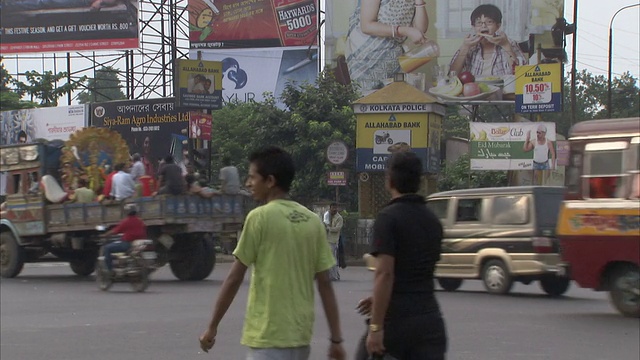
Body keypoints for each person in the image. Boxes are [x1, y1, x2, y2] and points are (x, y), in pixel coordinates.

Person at [199, 146, 345, 360]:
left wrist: (212, 327)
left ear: (270, 181)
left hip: (268, 337)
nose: (248, 184)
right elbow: (325, 284)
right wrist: (336, 340)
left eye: (252, 178)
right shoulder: (312, 221)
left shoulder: (259, 218)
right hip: (301, 338)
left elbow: (234, 278)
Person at [355, 151, 447, 360]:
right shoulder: (432, 220)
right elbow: (414, 270)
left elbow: (385, 274)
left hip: (397, 323)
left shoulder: (388, 218)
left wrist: (376, 328)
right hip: (430, 321)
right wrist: (378, 297)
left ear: (390, 180)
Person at [346, 0, 430, 91]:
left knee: (394, 99)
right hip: (368, 56)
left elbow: (421, 29)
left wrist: (419, 2)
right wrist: (405, 31)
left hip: (393, 58)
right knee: (371, 101)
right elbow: (367, 26)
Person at [449, 4, 527, 77]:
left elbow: (522, 75)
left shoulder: (509, 43)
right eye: (479, 23)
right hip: (474, 90)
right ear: (473, 27)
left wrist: (506, 45)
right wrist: (465, 47)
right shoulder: (469, 45)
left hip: (503, 90)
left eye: (489, 22)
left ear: (498, 26)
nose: (483, 26)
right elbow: (452, 75)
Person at [102, 204, 147, 275]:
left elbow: (115, 231)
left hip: (127, 244)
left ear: (126, 212)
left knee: (107, 248)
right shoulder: (140, 221)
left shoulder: (126, 221)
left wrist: (105, 235)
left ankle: (110, 270)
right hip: (139, 243)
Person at [324, 202, 343, 281]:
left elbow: (337, 228)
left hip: (333, 240)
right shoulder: (327, 215)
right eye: (333, 208)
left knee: (332, 258)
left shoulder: (339, 218)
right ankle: (333, 275)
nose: (335, 209)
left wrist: (329, 228)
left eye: (336, 208)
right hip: (326, 239)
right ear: (330, 208)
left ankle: (334, 276)